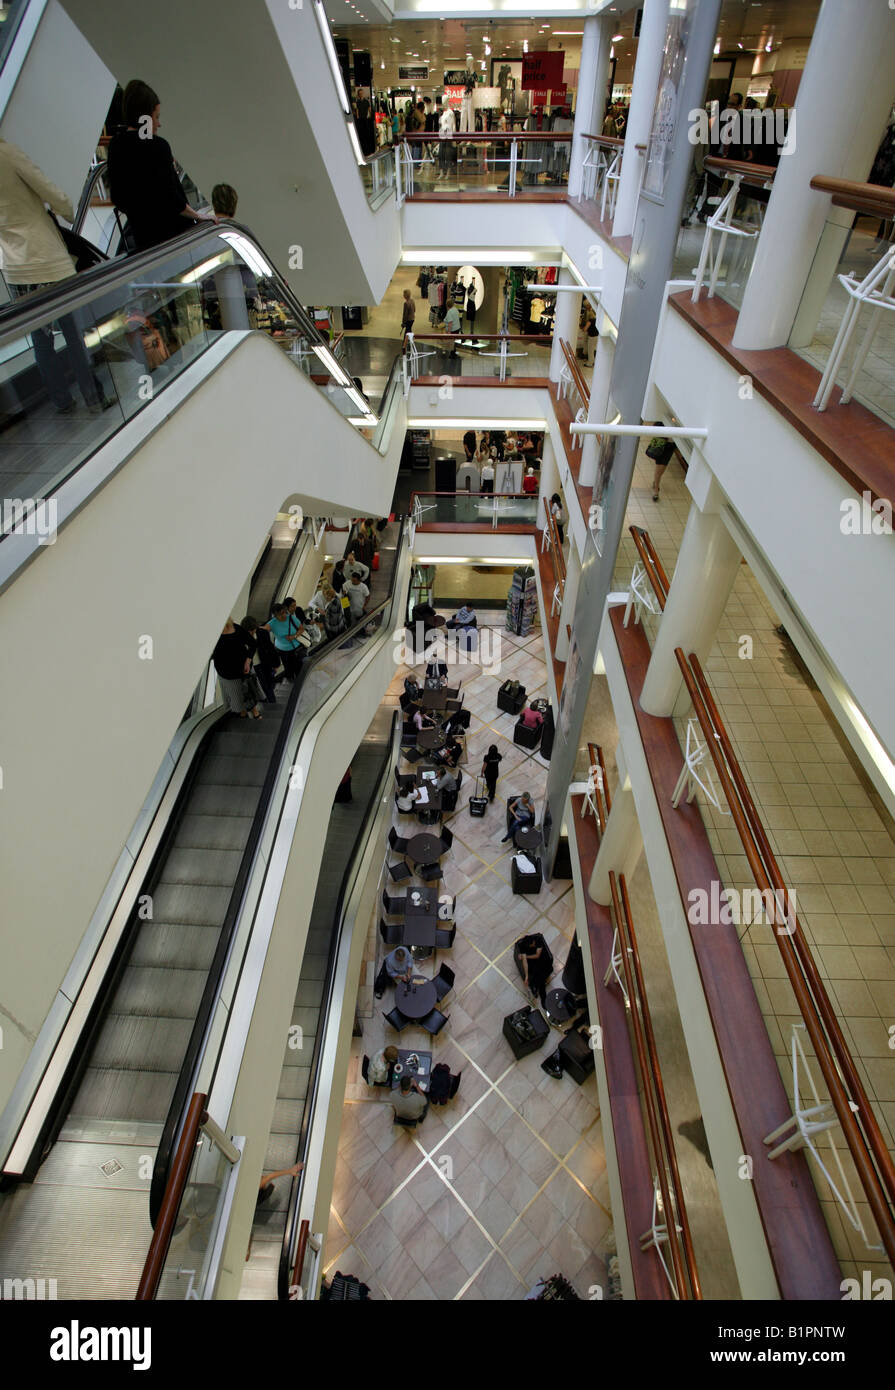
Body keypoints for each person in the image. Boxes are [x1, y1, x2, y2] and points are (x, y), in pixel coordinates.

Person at [0, 140, 112, 414]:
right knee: (73, 332)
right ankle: (93, 398)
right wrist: (67, 210)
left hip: (14, 265)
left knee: (40, 339)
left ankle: (62, 401)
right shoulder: (7, 152)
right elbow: (50, 192)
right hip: (47, 259)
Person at [107, 80, 217, 251]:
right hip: (174, 241)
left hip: (143, 243)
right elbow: (171, 198)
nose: (159, 124)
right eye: (156, 117)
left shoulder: (116, 146)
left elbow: (118, 197)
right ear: (144, 116)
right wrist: (197, 215)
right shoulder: (157, 147)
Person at [212, 618, 262, 719]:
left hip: (244, 669)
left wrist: (248, 661)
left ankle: (254, 711)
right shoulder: (211, 634)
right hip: (226, 673)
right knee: (236, 696)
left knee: (248, 691)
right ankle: (242, 712)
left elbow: (253, 644)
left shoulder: (236, 628)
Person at [240, 614, 278, 703]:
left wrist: (276, 664)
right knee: (258, 686)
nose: (252, 633)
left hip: (264, 663)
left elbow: (270, 648)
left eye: (253, 630)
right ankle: (265, 702)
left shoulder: (262, 633)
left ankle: (272, 702)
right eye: (249, 631)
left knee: (268, 684)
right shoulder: (241, 637)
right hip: (252, 666)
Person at [264, 601, 304, 680]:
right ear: (275, 616)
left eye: (284, 612)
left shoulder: (291, 618)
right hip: (282, 650)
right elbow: (263, 632)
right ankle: (291, 679)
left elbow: (301, 629)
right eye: (280, 614)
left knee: (298, 667)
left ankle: (300, 680)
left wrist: (294, 636)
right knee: (288, 668)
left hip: (295, 648)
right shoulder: (272, 623)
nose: (283, 615)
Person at [516, 934, 552, 1008]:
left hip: (540, 957)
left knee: (540, 974)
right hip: (532, 961)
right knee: (536, 974)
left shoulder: (538, 940)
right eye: (532, 945)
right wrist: (526, 976)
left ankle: (536, 987)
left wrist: (525, 956)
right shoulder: (523, 945)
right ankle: (542, 997)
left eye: (533, 944)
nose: (533, 945)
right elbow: (525, 962)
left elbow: (537, 955)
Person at [645, 425, 676, 501]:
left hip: (671, 446)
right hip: (662, 444)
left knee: (662, 470)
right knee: (659, 470)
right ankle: (656, 490)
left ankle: (656, 482)